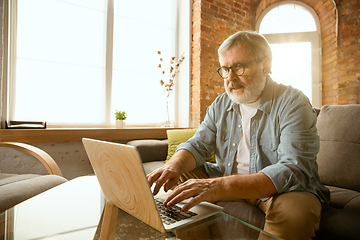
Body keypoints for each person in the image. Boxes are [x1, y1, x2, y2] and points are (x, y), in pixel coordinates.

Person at [147, 31, 330, 239]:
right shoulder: (221, 104)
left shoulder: (293, 103)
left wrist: (219, 186)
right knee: (176, 176)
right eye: (225, 69)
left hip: (278, 190)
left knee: (295, 214)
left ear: (265, 66)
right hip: (228, 177)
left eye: (239, 67)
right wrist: (173, 166)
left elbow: (294, 169)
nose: (230, 78)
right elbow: (197, 146)